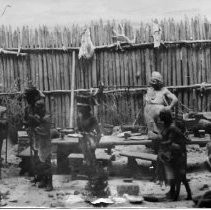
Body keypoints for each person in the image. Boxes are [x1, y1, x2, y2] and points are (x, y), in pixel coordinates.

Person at [157, 109, 192, 201]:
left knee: (179, 176)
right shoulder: (166, 126)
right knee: (173, 175)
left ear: (165, 117)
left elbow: (170, 141)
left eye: (161, 116)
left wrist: (161, 142)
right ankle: (174, 193)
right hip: (171, 153)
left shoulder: (172, 127)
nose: (159, 118)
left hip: (178, 154)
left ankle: (176, 196)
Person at [144, 71, 178, 138]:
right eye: (153, 81)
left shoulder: (164, 90)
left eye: (156, 81)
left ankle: (163, 136)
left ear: (159, 82)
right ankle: (153, 136)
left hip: (160, 111)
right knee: (151, 130)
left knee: (162, 130)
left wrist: (170, 107)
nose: (154, 82)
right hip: (148, 111)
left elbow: (175, 99)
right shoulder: (149, 90)